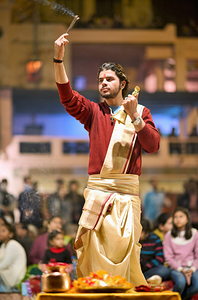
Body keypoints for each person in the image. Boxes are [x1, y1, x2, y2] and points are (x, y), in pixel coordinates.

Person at [53, 33, 160, 285]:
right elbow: (67, 96)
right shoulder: (93, 111)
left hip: (126, 199)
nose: (103, 83)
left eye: (109, 79)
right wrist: (58, 59)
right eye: (100, 79)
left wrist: (134, 117)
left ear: (123, 84)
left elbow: (152, 145)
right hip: (97, 196)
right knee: (93, 261)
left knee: (124, 261)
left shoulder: (141, 112)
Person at [163, 207, 198, 300]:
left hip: (192, 268)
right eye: (175, 217)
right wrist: (181, 269)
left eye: (181, 216)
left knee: (197, 285)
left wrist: (192, 269)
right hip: (176, 268)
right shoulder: (169, 235)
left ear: (187, 219)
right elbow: (168, 257)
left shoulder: (195, 233)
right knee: (181, 282)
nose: (178, 219)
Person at [0, 222, 27, 292]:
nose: (0, 233)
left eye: (3, 231)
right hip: (6, 272)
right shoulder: (3, 245)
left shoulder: (12, 244)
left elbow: (5, 264)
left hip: (15, 275)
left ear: (11, 234)